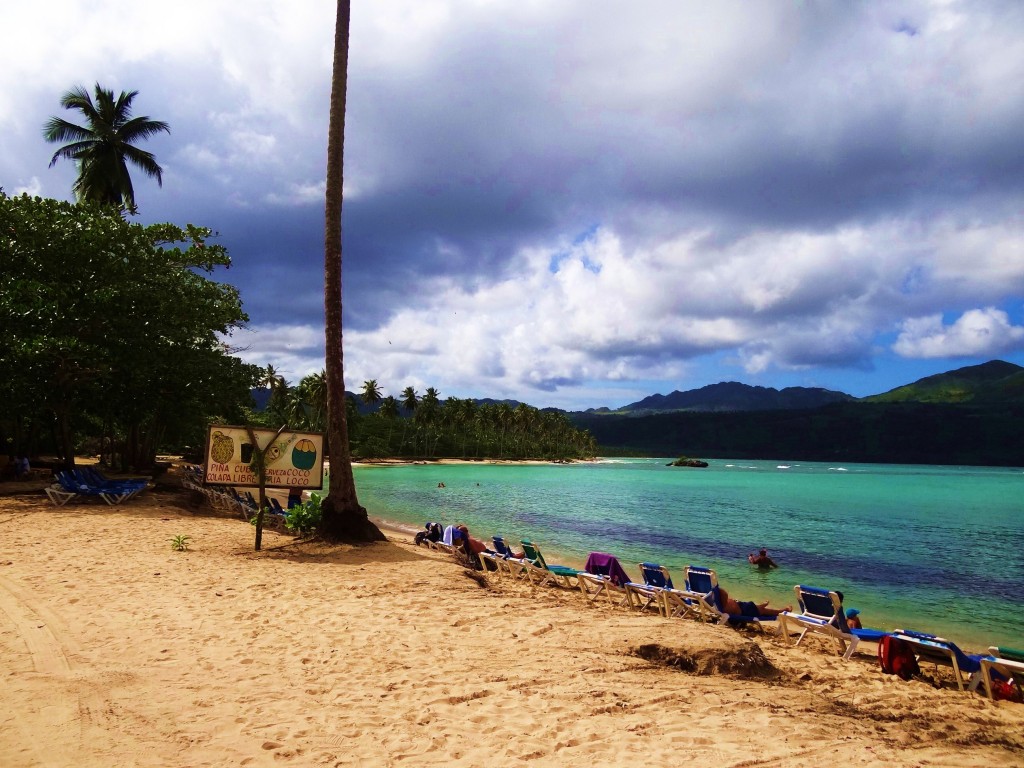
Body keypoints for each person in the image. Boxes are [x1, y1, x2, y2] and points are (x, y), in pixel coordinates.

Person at [717, 585, 790, 618]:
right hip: (743, 611)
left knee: (756, 607)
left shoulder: (715, 599)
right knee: (763, 610)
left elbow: (724, 596)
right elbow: (725, 594)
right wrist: (718, 588)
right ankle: (781, 611)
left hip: (741, 606)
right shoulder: (723, 605)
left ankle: (761, 606)